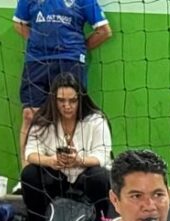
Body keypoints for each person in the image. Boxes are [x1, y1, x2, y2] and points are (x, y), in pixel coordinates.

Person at [12, 0, 111, 175]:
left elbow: (104, 31)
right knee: (29, 115)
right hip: (36, 60)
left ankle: (73, 173)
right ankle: (26, 175)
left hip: (70, 61)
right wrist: (39, 42)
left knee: (70, 112)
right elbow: (19, 23)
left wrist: (77, 48)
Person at [20, 73, 112, 221]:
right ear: (54, 100)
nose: (67, 106)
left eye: (72, 101)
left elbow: (103, 155)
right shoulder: (43, 120)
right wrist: (50, 160)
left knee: (101, 176)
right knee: (30, 173)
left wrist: (79, 160)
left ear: (80, 99)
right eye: (61, 101)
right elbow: (30, 152)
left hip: (84, 180)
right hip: (55, 180)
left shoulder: (96, 120)